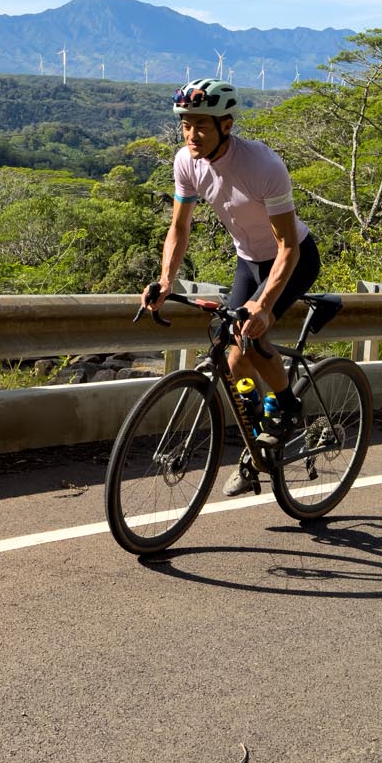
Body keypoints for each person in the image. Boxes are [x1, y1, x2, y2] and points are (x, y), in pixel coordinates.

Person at [143, 79, 322, 476]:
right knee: (231, 352)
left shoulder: (263, 166)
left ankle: (287, 406)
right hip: (248, 260)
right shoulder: (185, 162)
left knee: (251, 333)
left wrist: (263, 304)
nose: (192, 135)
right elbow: (179, 227)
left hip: (292, 258)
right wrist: (165, 280)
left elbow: (288, 246)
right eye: (186, 125)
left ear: (226, 125)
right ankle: (259, 433)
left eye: (201, 126)